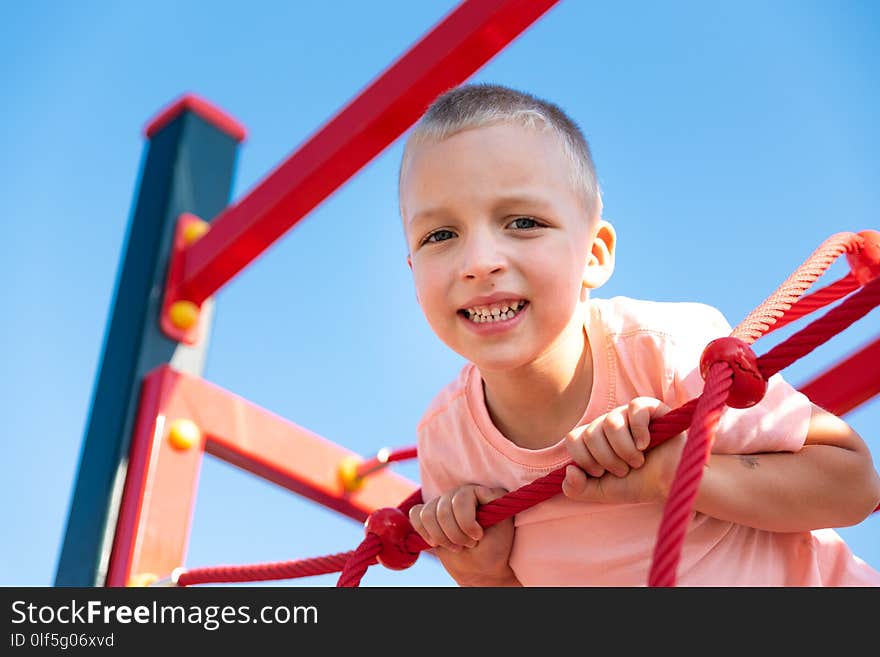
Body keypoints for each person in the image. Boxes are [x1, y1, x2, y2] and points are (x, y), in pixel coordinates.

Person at [398, 82, 880, 586]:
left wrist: (676, 473)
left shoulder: (666, 353)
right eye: (440, 235)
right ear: (412, 271)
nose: (479, 263)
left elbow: (854, 485)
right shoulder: (446, 444)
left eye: (522, 222)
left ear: (595, 254)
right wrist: (483, 575)